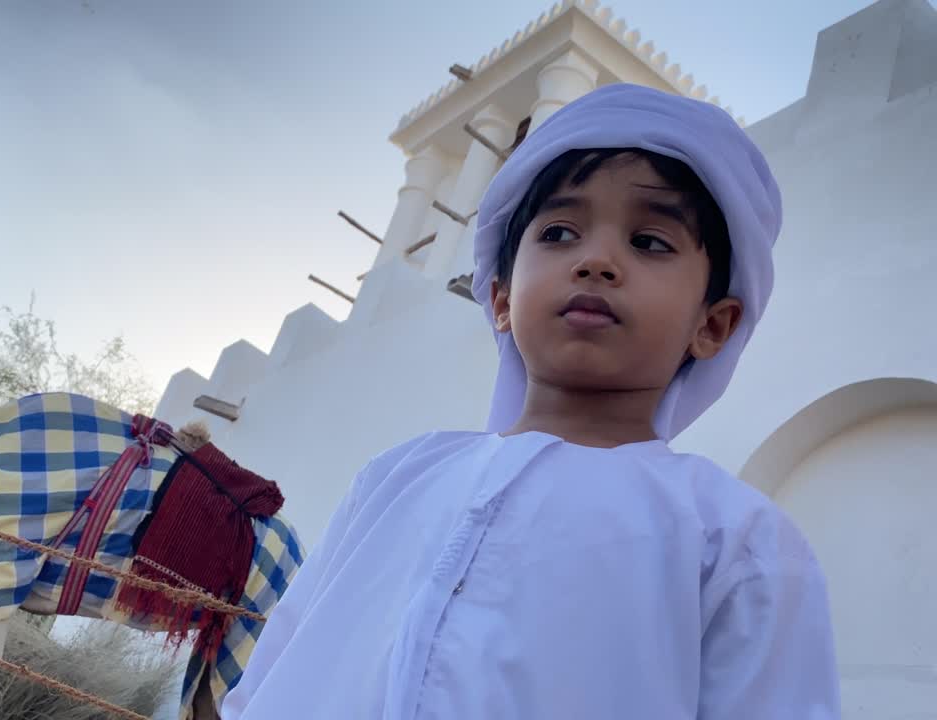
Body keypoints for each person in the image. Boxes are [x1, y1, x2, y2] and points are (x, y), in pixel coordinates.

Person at [219, 83, 840, 719]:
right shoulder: (398, 477)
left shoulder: (734, 540)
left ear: (714, 324)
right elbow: (273, 675)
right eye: (561, 232)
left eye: (650, 241)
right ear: (500, 298)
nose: (596, 260)